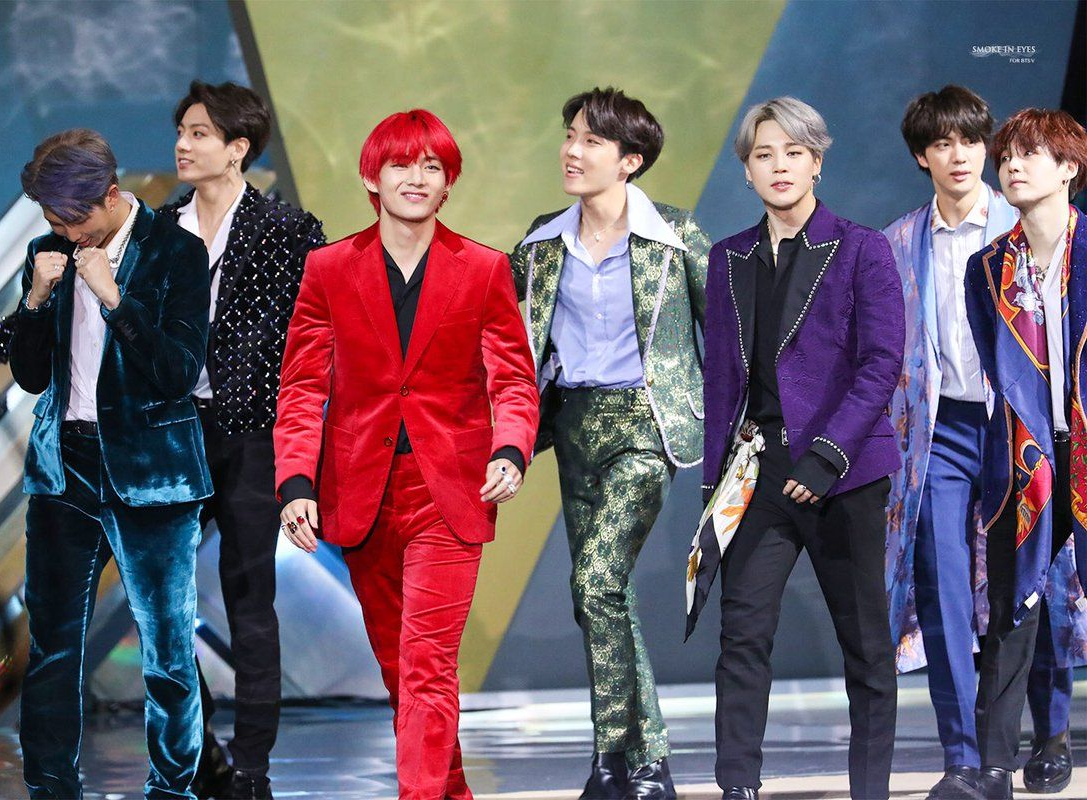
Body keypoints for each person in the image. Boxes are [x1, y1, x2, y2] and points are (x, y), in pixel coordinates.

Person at [0, 81, 325, 800]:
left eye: (200, 133)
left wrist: (115, 298)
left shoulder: (246, 238)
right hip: (104, 451)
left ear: (237, 148)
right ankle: (124, 774)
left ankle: (228, 775)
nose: (183, 145)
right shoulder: (97, 237)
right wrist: (4, 325)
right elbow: (36, 358)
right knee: (81, 639)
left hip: (211, 444)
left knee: (214, 622)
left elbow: (279, 342)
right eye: (181, 131)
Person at [273, 109, 539, 800]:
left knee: (427, 665)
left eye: (432, 166)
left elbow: (513, 377)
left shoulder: (483, 269)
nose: (417, 178)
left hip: (449, 490)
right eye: (401, 164)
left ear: (448, 182)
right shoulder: (329, 270)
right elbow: (302, 386)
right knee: (401, 672)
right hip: (359, 491)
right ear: (372, 176)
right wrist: (296, 481)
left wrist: (511, 448)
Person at [882, 86, 1085, 800]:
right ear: (922, 156)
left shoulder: (1024, 219)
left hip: (1029, 430)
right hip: (944, 434)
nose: (961, 155)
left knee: (1044, 583)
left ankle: (1050, 732)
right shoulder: (901, 242)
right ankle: (966, 757)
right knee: (946, 591)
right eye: (942, 143)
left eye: (972, 141)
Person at [700, 98, 903, 800]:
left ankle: (869, 791)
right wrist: (715, 486)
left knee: (865, 645)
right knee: (742, 635)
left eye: (793, 152)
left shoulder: (860, 248)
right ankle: (737, 787)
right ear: (747, 170)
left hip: (843, 472)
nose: (779, 166)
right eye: (764, 155)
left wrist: (827, 455)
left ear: (817, 162)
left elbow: (881, 363)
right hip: (759, 472)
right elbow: (720, 377)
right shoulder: (729, 257)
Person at [510, 87, 710, 800]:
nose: (572, 151)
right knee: (603, 592)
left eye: (591, 141)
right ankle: (628, 761)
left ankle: (627, 758)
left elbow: (727, 335)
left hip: (645, 427)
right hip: (573, 427)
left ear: (630, 160)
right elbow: (512, 347)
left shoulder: (674, 236)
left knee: (595, 581)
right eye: (570, 135)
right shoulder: (540, 242)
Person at [10, 129, 211, 799]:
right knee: (52, 648)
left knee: (168, 650)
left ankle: (172, 790)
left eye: (76, 220)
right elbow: (31, 376)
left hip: (154, 473)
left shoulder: (177, 251)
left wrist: (116, 300)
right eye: (54, 221)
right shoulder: (46, 254)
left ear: (112, 194)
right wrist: (35, 301)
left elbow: (177, 373)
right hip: (65, 469)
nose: (67, 233)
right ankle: (50, 789)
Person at [964, 108, 1087, 800]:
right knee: (1012, 606)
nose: (1011, 165)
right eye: (1006, 155)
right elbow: (998, 373)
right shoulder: (987, 268)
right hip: (1026, 456)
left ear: (1068, 168)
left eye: (1029, 154)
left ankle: (1055, 737)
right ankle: (992, 768)